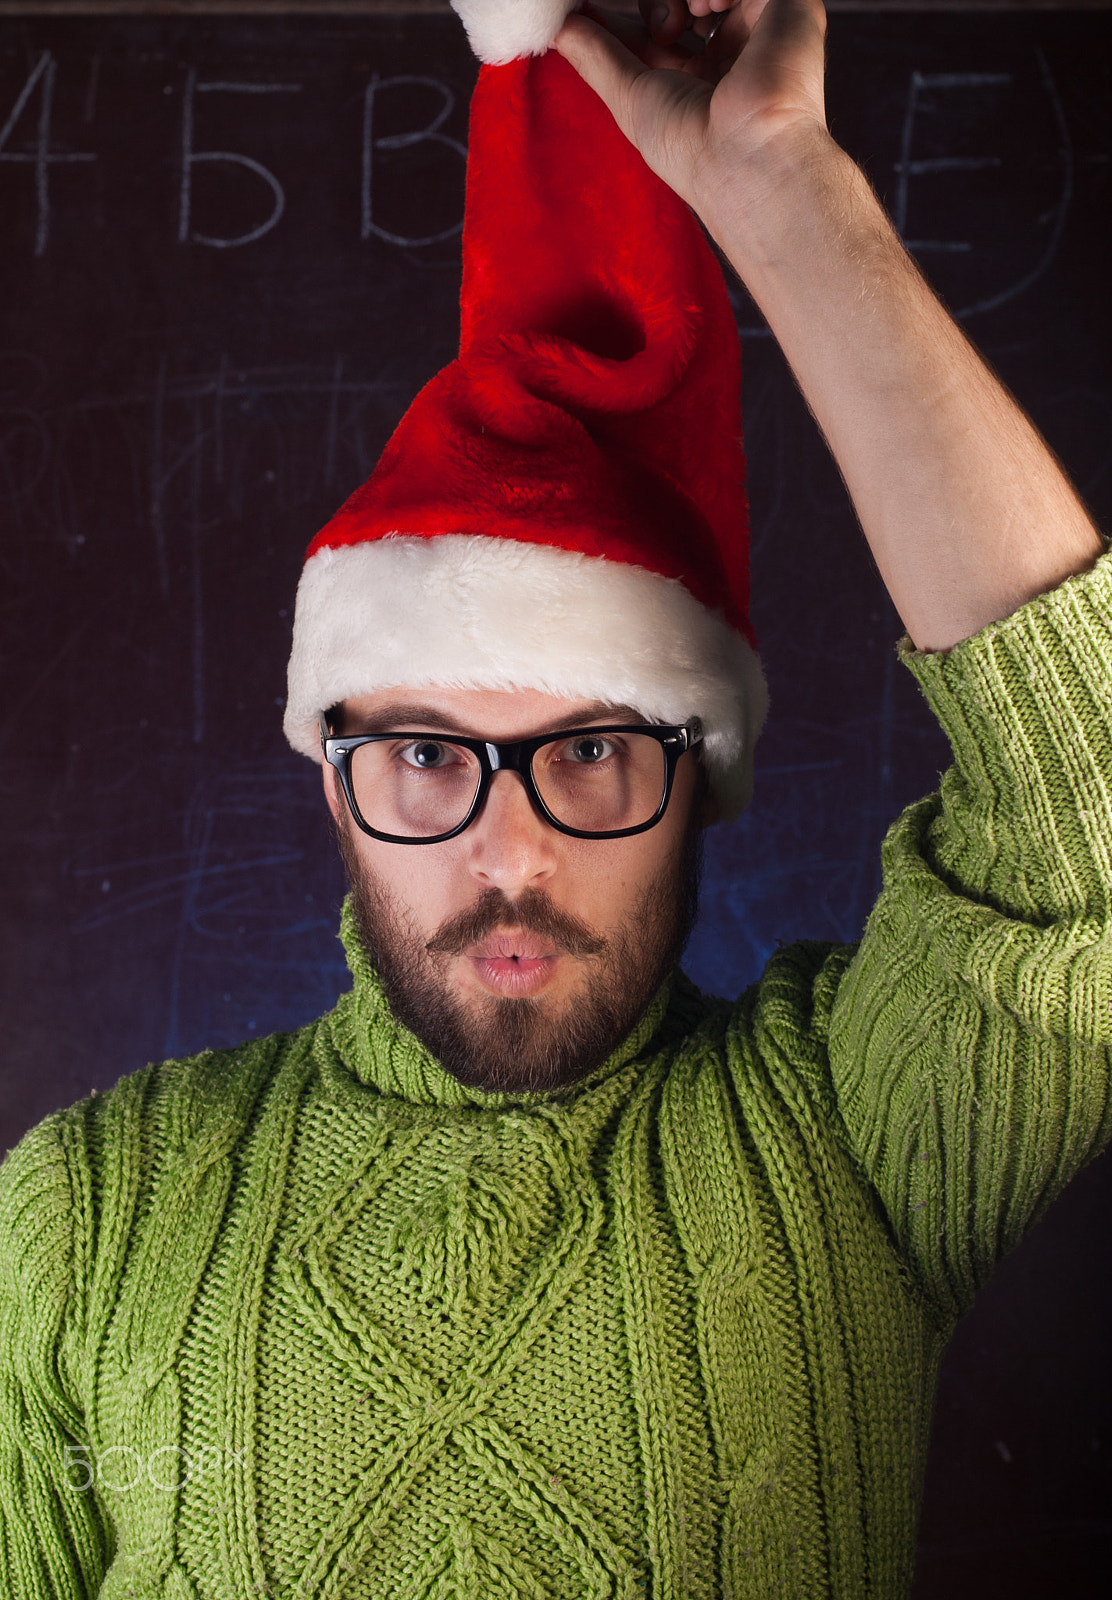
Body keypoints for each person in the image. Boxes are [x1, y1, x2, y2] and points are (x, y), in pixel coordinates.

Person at [0, 1, 1107, 1595]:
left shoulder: (855, 1144)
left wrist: (786, 192)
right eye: (429, 756)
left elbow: (1094, 823)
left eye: (591, 750)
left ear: (699, 779)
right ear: (333, 781)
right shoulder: (92, 1214)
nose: (508, 852)